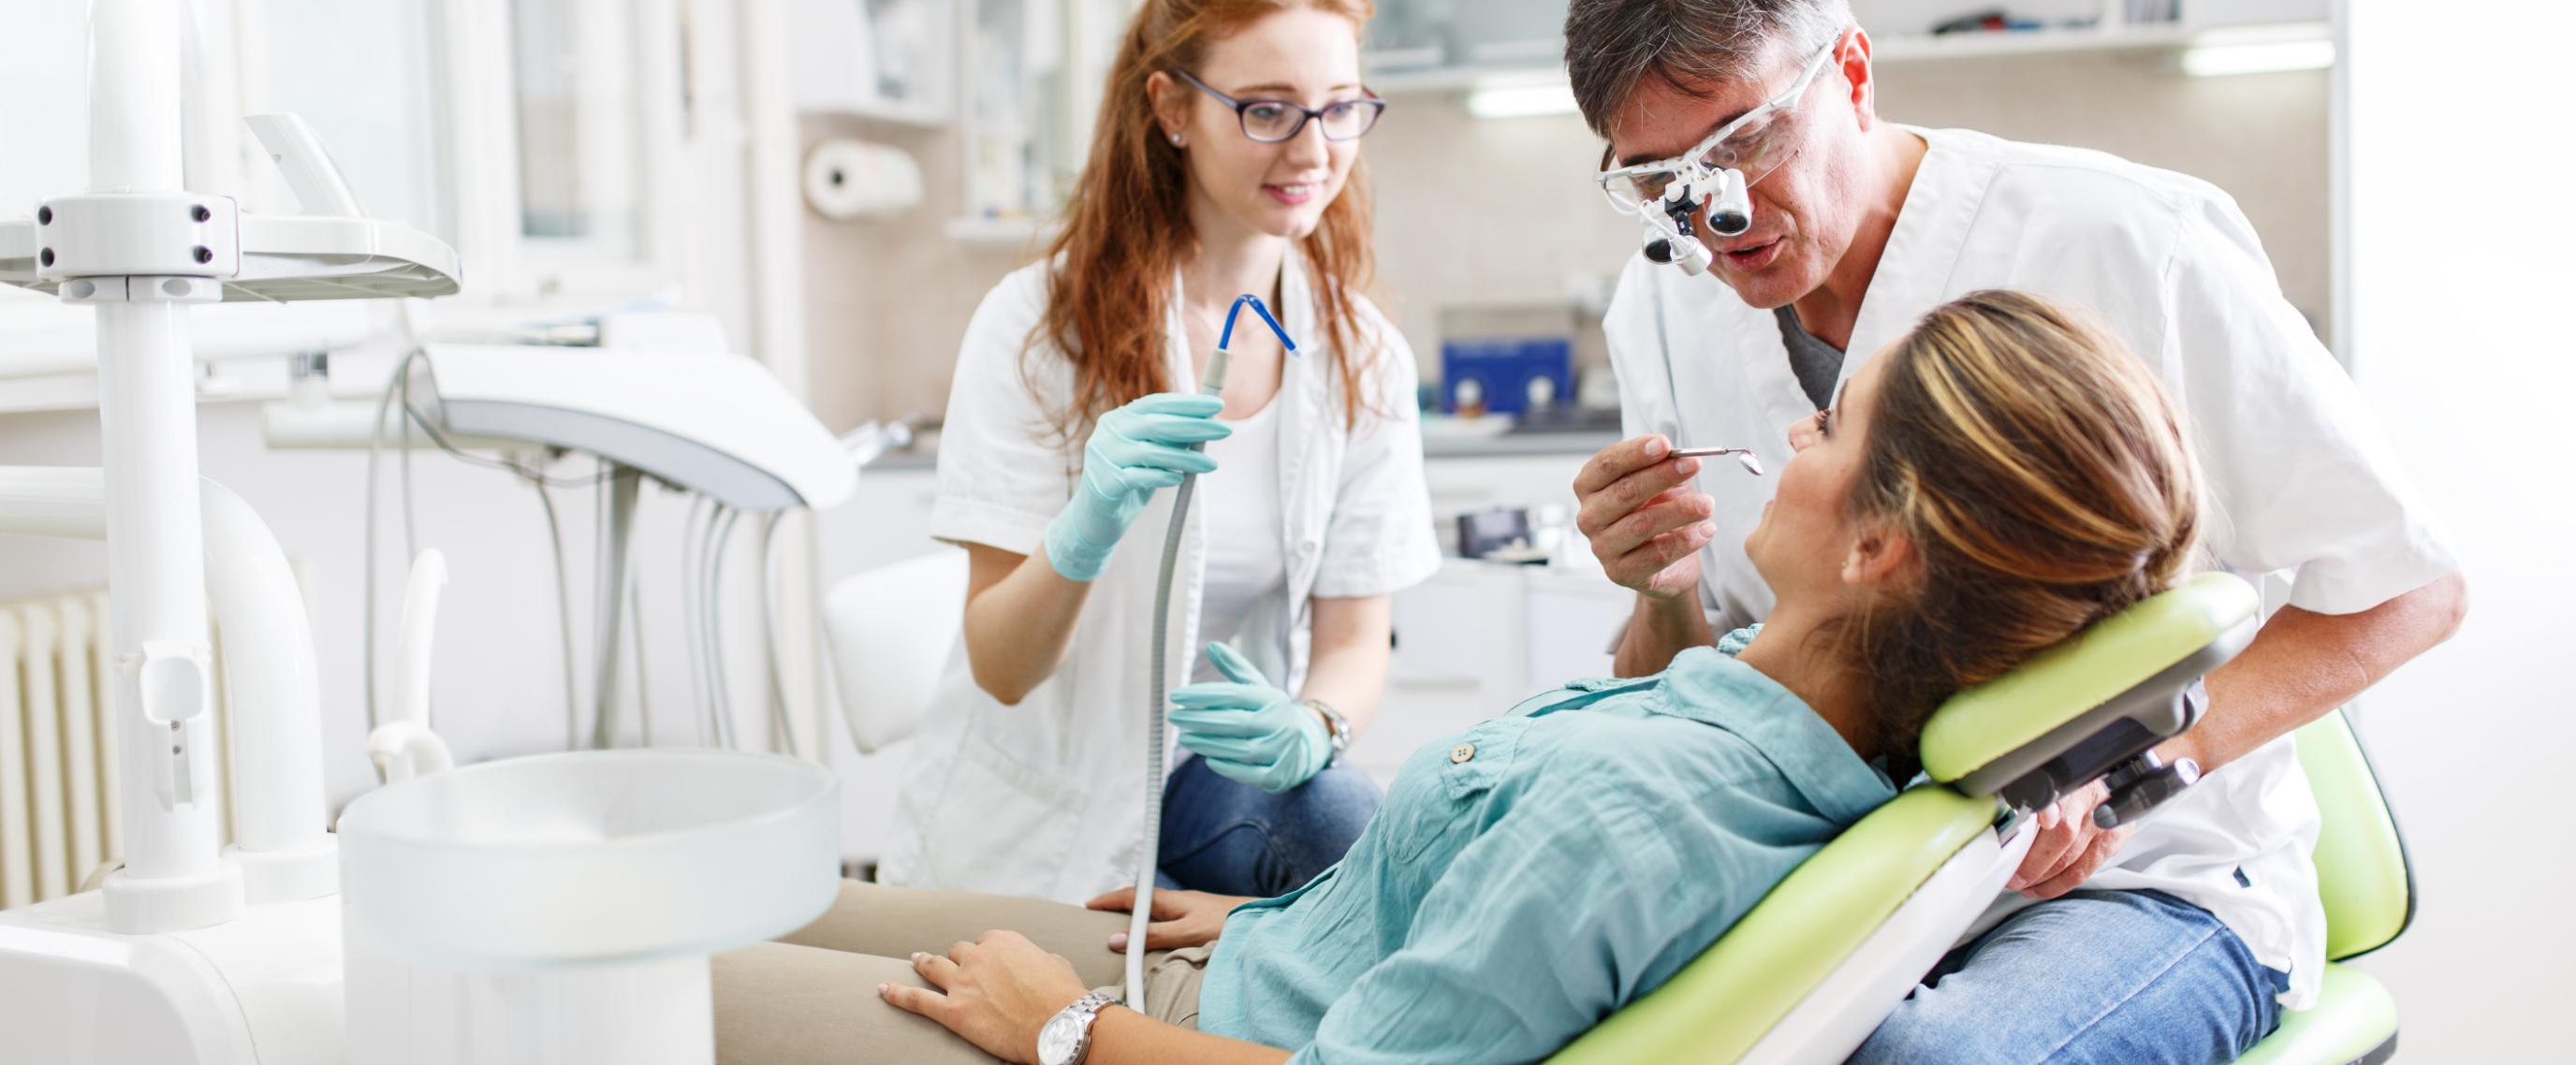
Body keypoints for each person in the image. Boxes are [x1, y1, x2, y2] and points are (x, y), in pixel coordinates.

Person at [713, 292, 2211, 1065]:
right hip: (1245, 963)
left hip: (1164, 1031)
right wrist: (1316, 915)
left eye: (1831, 430)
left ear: (1883, 546)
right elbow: (1521, 949)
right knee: (737, 908)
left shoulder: (1650, 808)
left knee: (619, 991)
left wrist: (1067, 1027)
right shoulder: (1779, 739)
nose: (1792, 440)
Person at [1557, 0, 2467, 1062]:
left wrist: (2129, 778)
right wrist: (1663, 589)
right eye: (1659, 180)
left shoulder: (2130, 242)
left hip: (2139, 879)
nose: (1714, 214)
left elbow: (2407, 590)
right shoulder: (1664, 310)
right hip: (1848, 880)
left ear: (1849, 72)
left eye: (1746, 140)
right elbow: (1696, 682)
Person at [880, 0, 1436, 904]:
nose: (1313, 149)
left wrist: (1314, 723)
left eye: (1340, 107)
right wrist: (1083, 528)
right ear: (1173, 106)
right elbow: (1002, 668)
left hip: (1209, 790)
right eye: (1266, 110)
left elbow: (1354, 642)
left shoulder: (1362, 355)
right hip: (1048, 806)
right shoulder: (1036, 328)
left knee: (1360, 831)